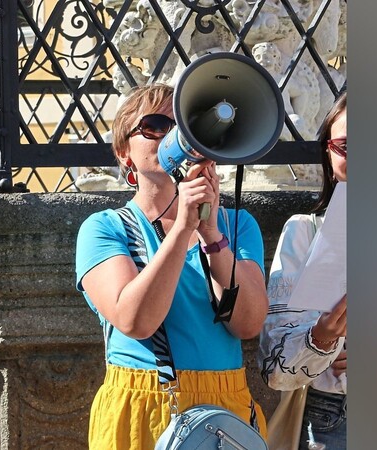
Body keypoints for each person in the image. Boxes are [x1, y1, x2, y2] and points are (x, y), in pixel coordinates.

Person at [75, 83, 270, 450]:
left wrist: (210, 233)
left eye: (184, 125)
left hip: (224, 410)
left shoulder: (237, 225)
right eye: (154, 126)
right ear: (124, 154)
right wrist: (182, 229)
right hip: (143, 406)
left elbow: (247, 323)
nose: (172, 136)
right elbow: (136, 320)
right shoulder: (105, 228)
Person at [259, 90, 348, 450]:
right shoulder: (304, 231)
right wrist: (322, 339)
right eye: (346, 145)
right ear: (328, 151)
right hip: (335, 417)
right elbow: (275, 370)